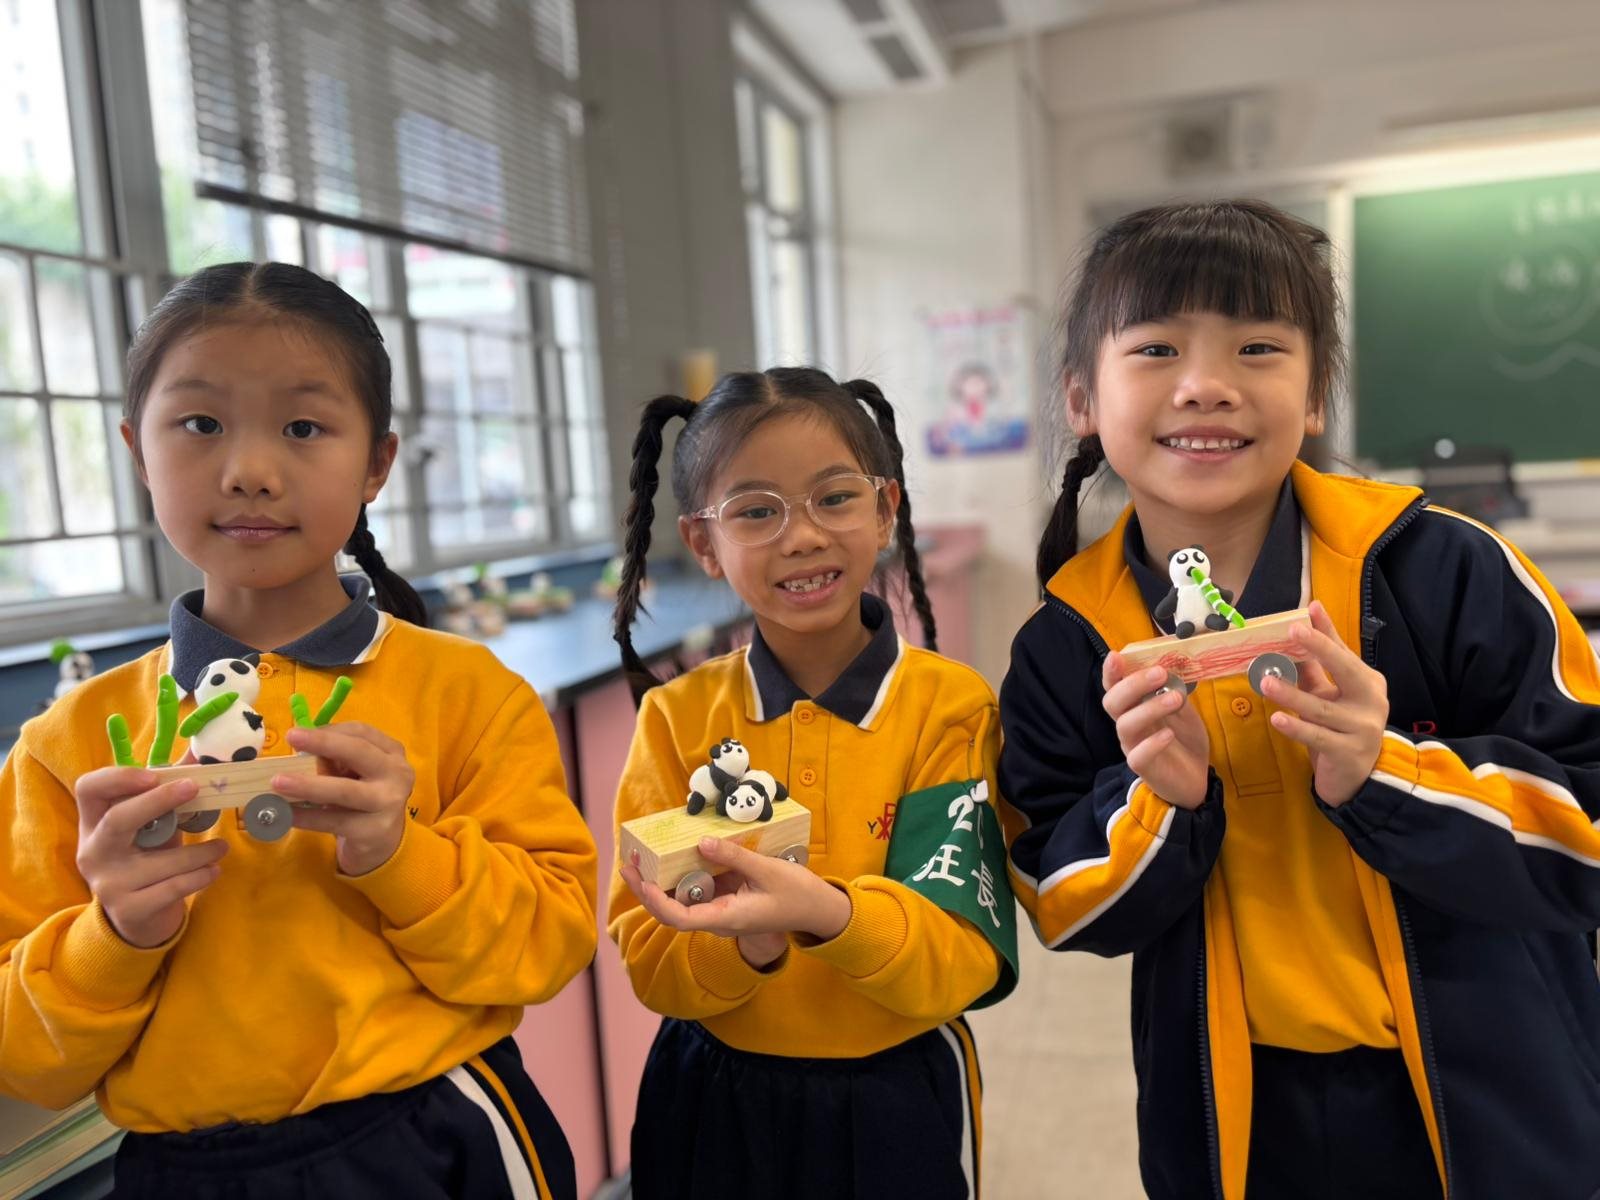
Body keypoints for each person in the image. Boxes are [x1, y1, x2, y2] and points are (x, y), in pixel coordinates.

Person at [998, 199, 1600, 1200]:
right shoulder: (1067, 644)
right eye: (1155, 349)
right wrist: (1161, 803)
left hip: (1493, 1110)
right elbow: (1060, 906)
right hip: (1237, 1126)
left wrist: (1386, 771)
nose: (1205, 385)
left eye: (1258, 348)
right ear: (1081, 398)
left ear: (1314, 394)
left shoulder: (1442, 570)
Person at [0, 262, 598, 1199]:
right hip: (182, 1173)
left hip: (436, 1136)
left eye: (304, 428)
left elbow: (550, 946)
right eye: (200, 424)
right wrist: (113, 932)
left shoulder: (468, 695)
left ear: (376, 464)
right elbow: (27, 1062)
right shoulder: (66, 747)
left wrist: (402, 855)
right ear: (136, 451)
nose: (250, 471)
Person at [609, 367, 1017, 1199]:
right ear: (703, 544)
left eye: (834, 498)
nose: (801, 537)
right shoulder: (676, 720)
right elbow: (650, 960)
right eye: (755, 511)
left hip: (895, 1096)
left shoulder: (948, 709)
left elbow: (961, 957)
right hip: (711, 1092)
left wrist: (823, 913)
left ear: (886, 509)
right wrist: (749, 944)